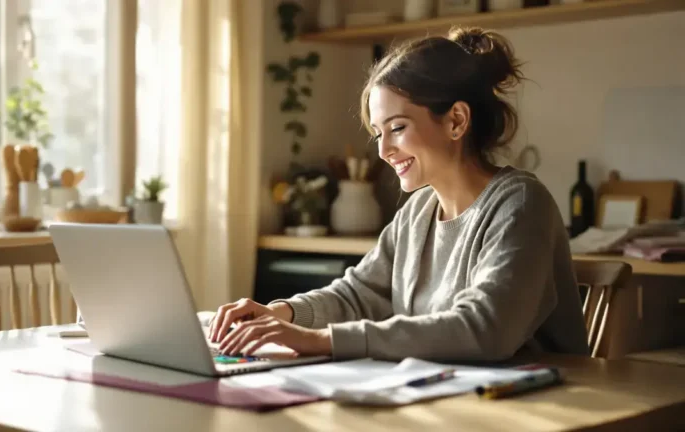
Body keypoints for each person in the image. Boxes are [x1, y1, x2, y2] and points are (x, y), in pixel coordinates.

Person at [208, 26, 589, 362]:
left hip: (532, 407)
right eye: (378, 132)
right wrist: (282, 313)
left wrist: (322, 340)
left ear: (456, 120)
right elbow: (358, 295)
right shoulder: (418, 211)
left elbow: (484, 329)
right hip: (445, 397)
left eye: (398, 127)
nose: (382, 151)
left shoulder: (520, 204)